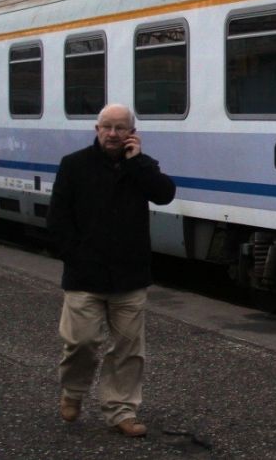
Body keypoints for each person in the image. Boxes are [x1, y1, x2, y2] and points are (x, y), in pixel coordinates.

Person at [47, 103, 176, 437]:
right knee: (81, 342)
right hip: (84, 274)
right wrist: (74, 256)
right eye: (107, 127)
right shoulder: (73, 165)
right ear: (97, 129)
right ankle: (73, 392)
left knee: (129, 350)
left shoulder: (141, 167)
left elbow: (164, 195)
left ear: (131, 133)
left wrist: (138, 163)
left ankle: (121, 410)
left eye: (121, 128)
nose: (113, 134)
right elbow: (58, 220)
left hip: (129, 275)